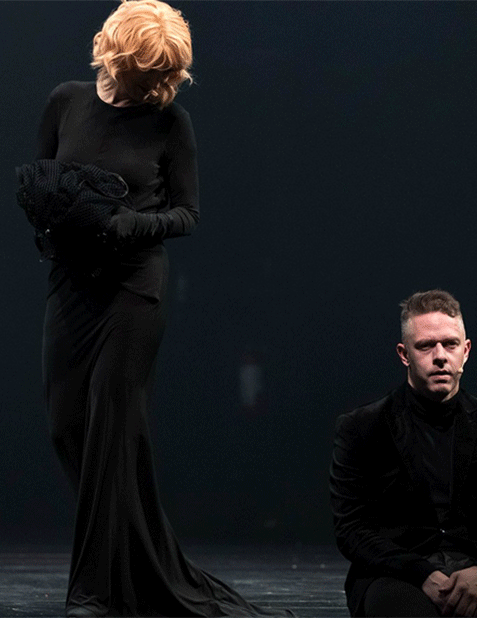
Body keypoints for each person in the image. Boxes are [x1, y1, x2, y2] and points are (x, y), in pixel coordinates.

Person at [34, 2, 291, 616]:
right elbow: (44, 182)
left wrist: (132, 224)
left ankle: (94, 591)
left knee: (111, 433)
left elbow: (187, 213)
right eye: (144, 73)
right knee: (66, 425)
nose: (153, 86)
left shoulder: (171, 123)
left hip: (133, 290)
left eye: (160, 76)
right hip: (72, 284)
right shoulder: (66, 101)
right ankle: (142, 559)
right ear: (116, 55)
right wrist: (51, 222)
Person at [331, 290, 477, 617]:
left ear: (466, 351)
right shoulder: (363, 427)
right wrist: (421, 574)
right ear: (404, 354)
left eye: (450, 344)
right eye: (426, 346)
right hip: (396, 571)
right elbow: (352, 529)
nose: (440, 356)